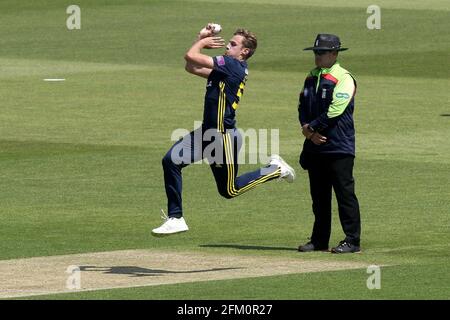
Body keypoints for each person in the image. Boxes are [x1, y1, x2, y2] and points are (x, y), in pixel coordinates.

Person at [152, 24, 295, 236]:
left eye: (233, 44)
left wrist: (202, 42)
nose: (227, 45)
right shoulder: (224, 68)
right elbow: (190, 66)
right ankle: (176, 217)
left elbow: (190, 55)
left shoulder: (232, 66)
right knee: (170, 161)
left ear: (244, 52)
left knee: (229, 190)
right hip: (206, 133)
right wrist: (200, 38)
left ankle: (275, 169)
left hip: (222, 136)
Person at [297, 34, 361, 253]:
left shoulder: (344, 77)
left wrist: (312, 128)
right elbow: (302, 106)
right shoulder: (311, 76)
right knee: (319, 196)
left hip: (339, 145)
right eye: (316, 52)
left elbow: (336, 109)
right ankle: (319, 239)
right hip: (316, 145)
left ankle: (352, 241)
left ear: (334, 54)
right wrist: (307, 130)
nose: (317, 56)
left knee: (344, 195)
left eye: (322, 53)